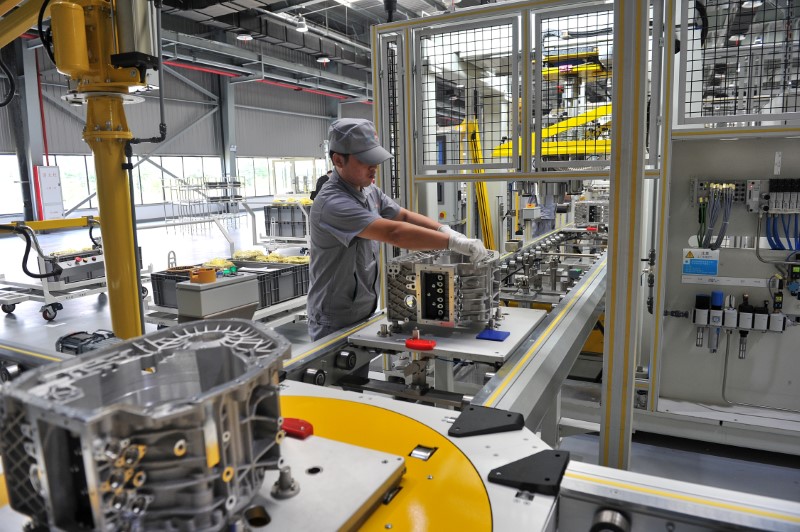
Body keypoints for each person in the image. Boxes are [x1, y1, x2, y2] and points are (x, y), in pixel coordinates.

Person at [307, 118, 488, 340]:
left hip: (362, 310)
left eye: (375, 159)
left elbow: (402, 215)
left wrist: (446, 231)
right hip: (333, 320)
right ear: (338, 160)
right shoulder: (332, 203)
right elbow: (394, 233)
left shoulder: (368, 191)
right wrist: (452, 243)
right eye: (365, 160)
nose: (374, 167)